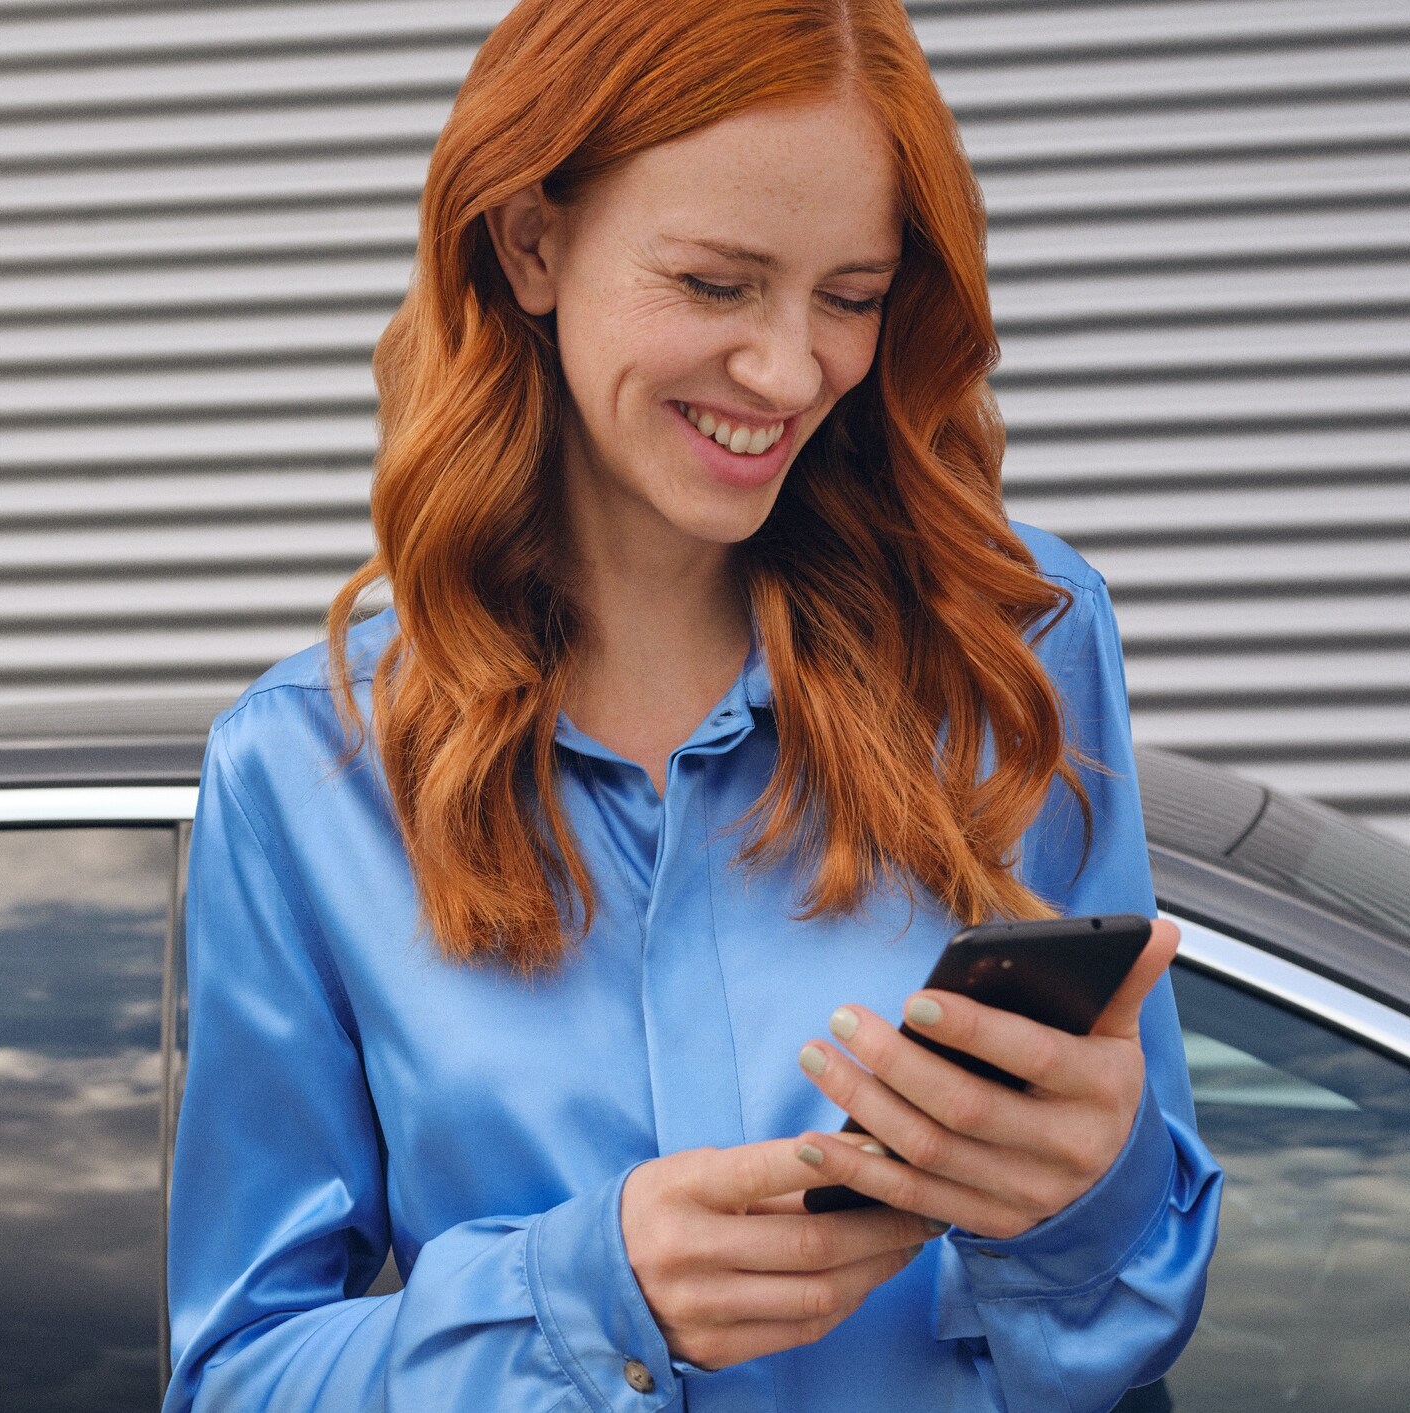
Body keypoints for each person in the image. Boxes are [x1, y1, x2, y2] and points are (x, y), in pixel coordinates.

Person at [161, 0, 1223, 1409]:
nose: (791, 373)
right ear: (533, 242)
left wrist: (1088, 1199)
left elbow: (1127, 1322)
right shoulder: (305, 774)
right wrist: (582, 1298)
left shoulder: (1013, 647)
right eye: (719, 285)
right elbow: (236, 1375)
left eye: (851, 296)